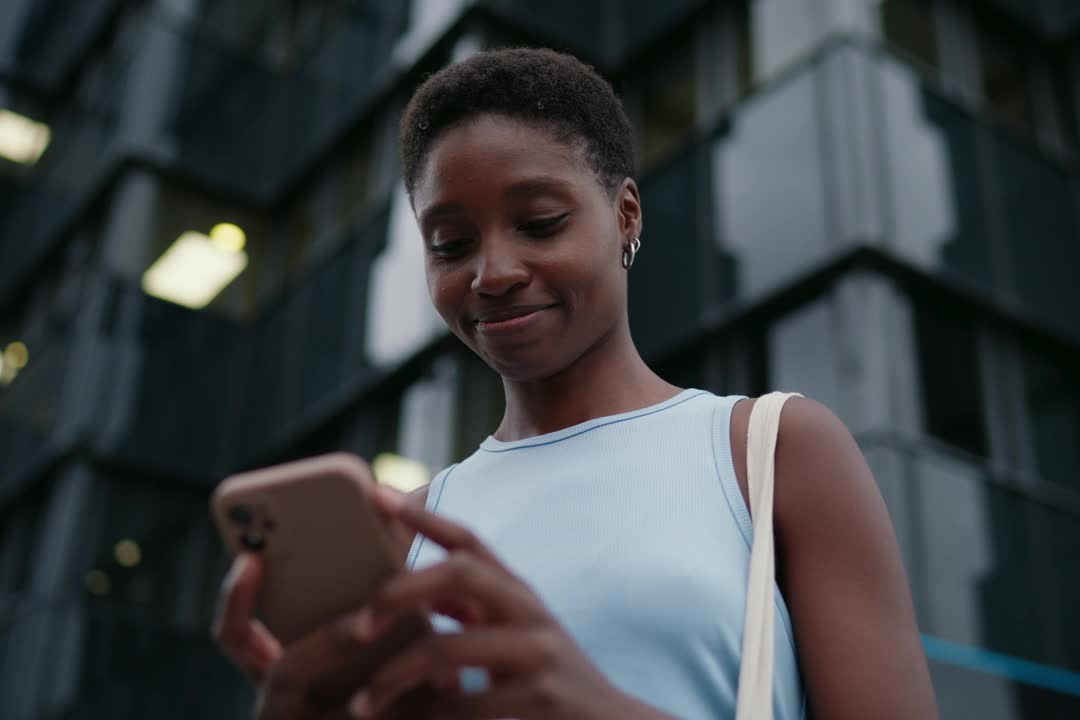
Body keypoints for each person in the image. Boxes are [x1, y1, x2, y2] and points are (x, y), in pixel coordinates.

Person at [213, 47, 937, 719]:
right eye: (451, 245)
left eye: (539, 222)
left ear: (625, 216)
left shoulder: (772, 449)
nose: (492, 273)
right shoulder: (405, 528)